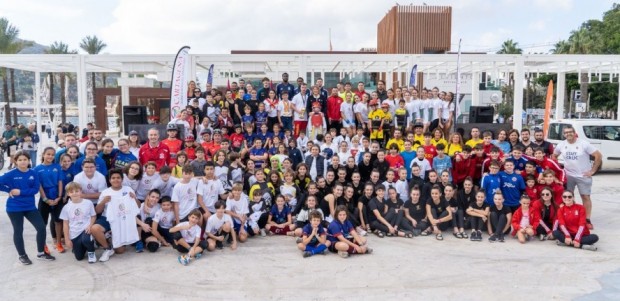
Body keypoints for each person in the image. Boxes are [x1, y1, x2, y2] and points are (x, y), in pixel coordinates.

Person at [0, 151, 54, 264]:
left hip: (30, 207)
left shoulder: (33, 173)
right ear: (15, 161)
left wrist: (20, 192)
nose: (23, 162)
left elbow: (35, 190)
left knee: (41, 227)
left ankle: (41, 253)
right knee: (18, 231)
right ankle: (22, 255)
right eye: (20, 160)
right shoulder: (11, 174)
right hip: (14, 208)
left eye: (25, 159)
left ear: (29, 161)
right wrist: (8, 190)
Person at [552, 125, 602, 229]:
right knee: (568, 197)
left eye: (570, 132)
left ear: (574, 133)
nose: (568, 134)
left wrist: (593, 170)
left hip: (583, 175)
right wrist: (558, 169)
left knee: (585, 197)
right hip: (568, 175)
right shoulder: (561, 145)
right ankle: (570, 216)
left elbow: (598, 155)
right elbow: (554, 155)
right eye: (566, 132)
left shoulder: (583, 144)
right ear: (564, 134)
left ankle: (587, 219)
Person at [91, 169, 143, 262]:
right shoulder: (105, 192)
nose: (116, 180)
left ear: (122, 179)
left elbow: (138, 206)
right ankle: (107, 248)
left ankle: (111, 236)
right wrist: (103, 202)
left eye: (118, 178)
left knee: (120, 251)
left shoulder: (128, 190)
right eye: (113, 178)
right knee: (95, 228)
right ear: (110, 180)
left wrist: (134, 198)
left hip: (123, 218)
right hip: (107, 217)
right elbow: (97, 211)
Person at [34, 147, 64, 253]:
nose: (50, 156)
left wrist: (59, 197)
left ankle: (58, 243)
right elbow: (39, 185)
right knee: (43, 223)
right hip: (44, 199)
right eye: (48, 154)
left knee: (58, 221)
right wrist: (45, 199)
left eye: (52, 154)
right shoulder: (37, 169)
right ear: (43, 154)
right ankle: (44, 245)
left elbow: (60, 182)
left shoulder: (57, 167)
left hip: (57, 197)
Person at [60, 182, 97, 263]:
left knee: (86, 240)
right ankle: (82, 246)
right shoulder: (66, 207)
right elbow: (65, 224)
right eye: (71, 192)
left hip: (86, 229)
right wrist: (67, 239)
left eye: (77, 191)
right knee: (79, 257)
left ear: (81, 191)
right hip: (74, 233)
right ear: (68, 194)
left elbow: (93, 216)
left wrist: (90, 225)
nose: (74, 193)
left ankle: (91, 252)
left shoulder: (88, 203)